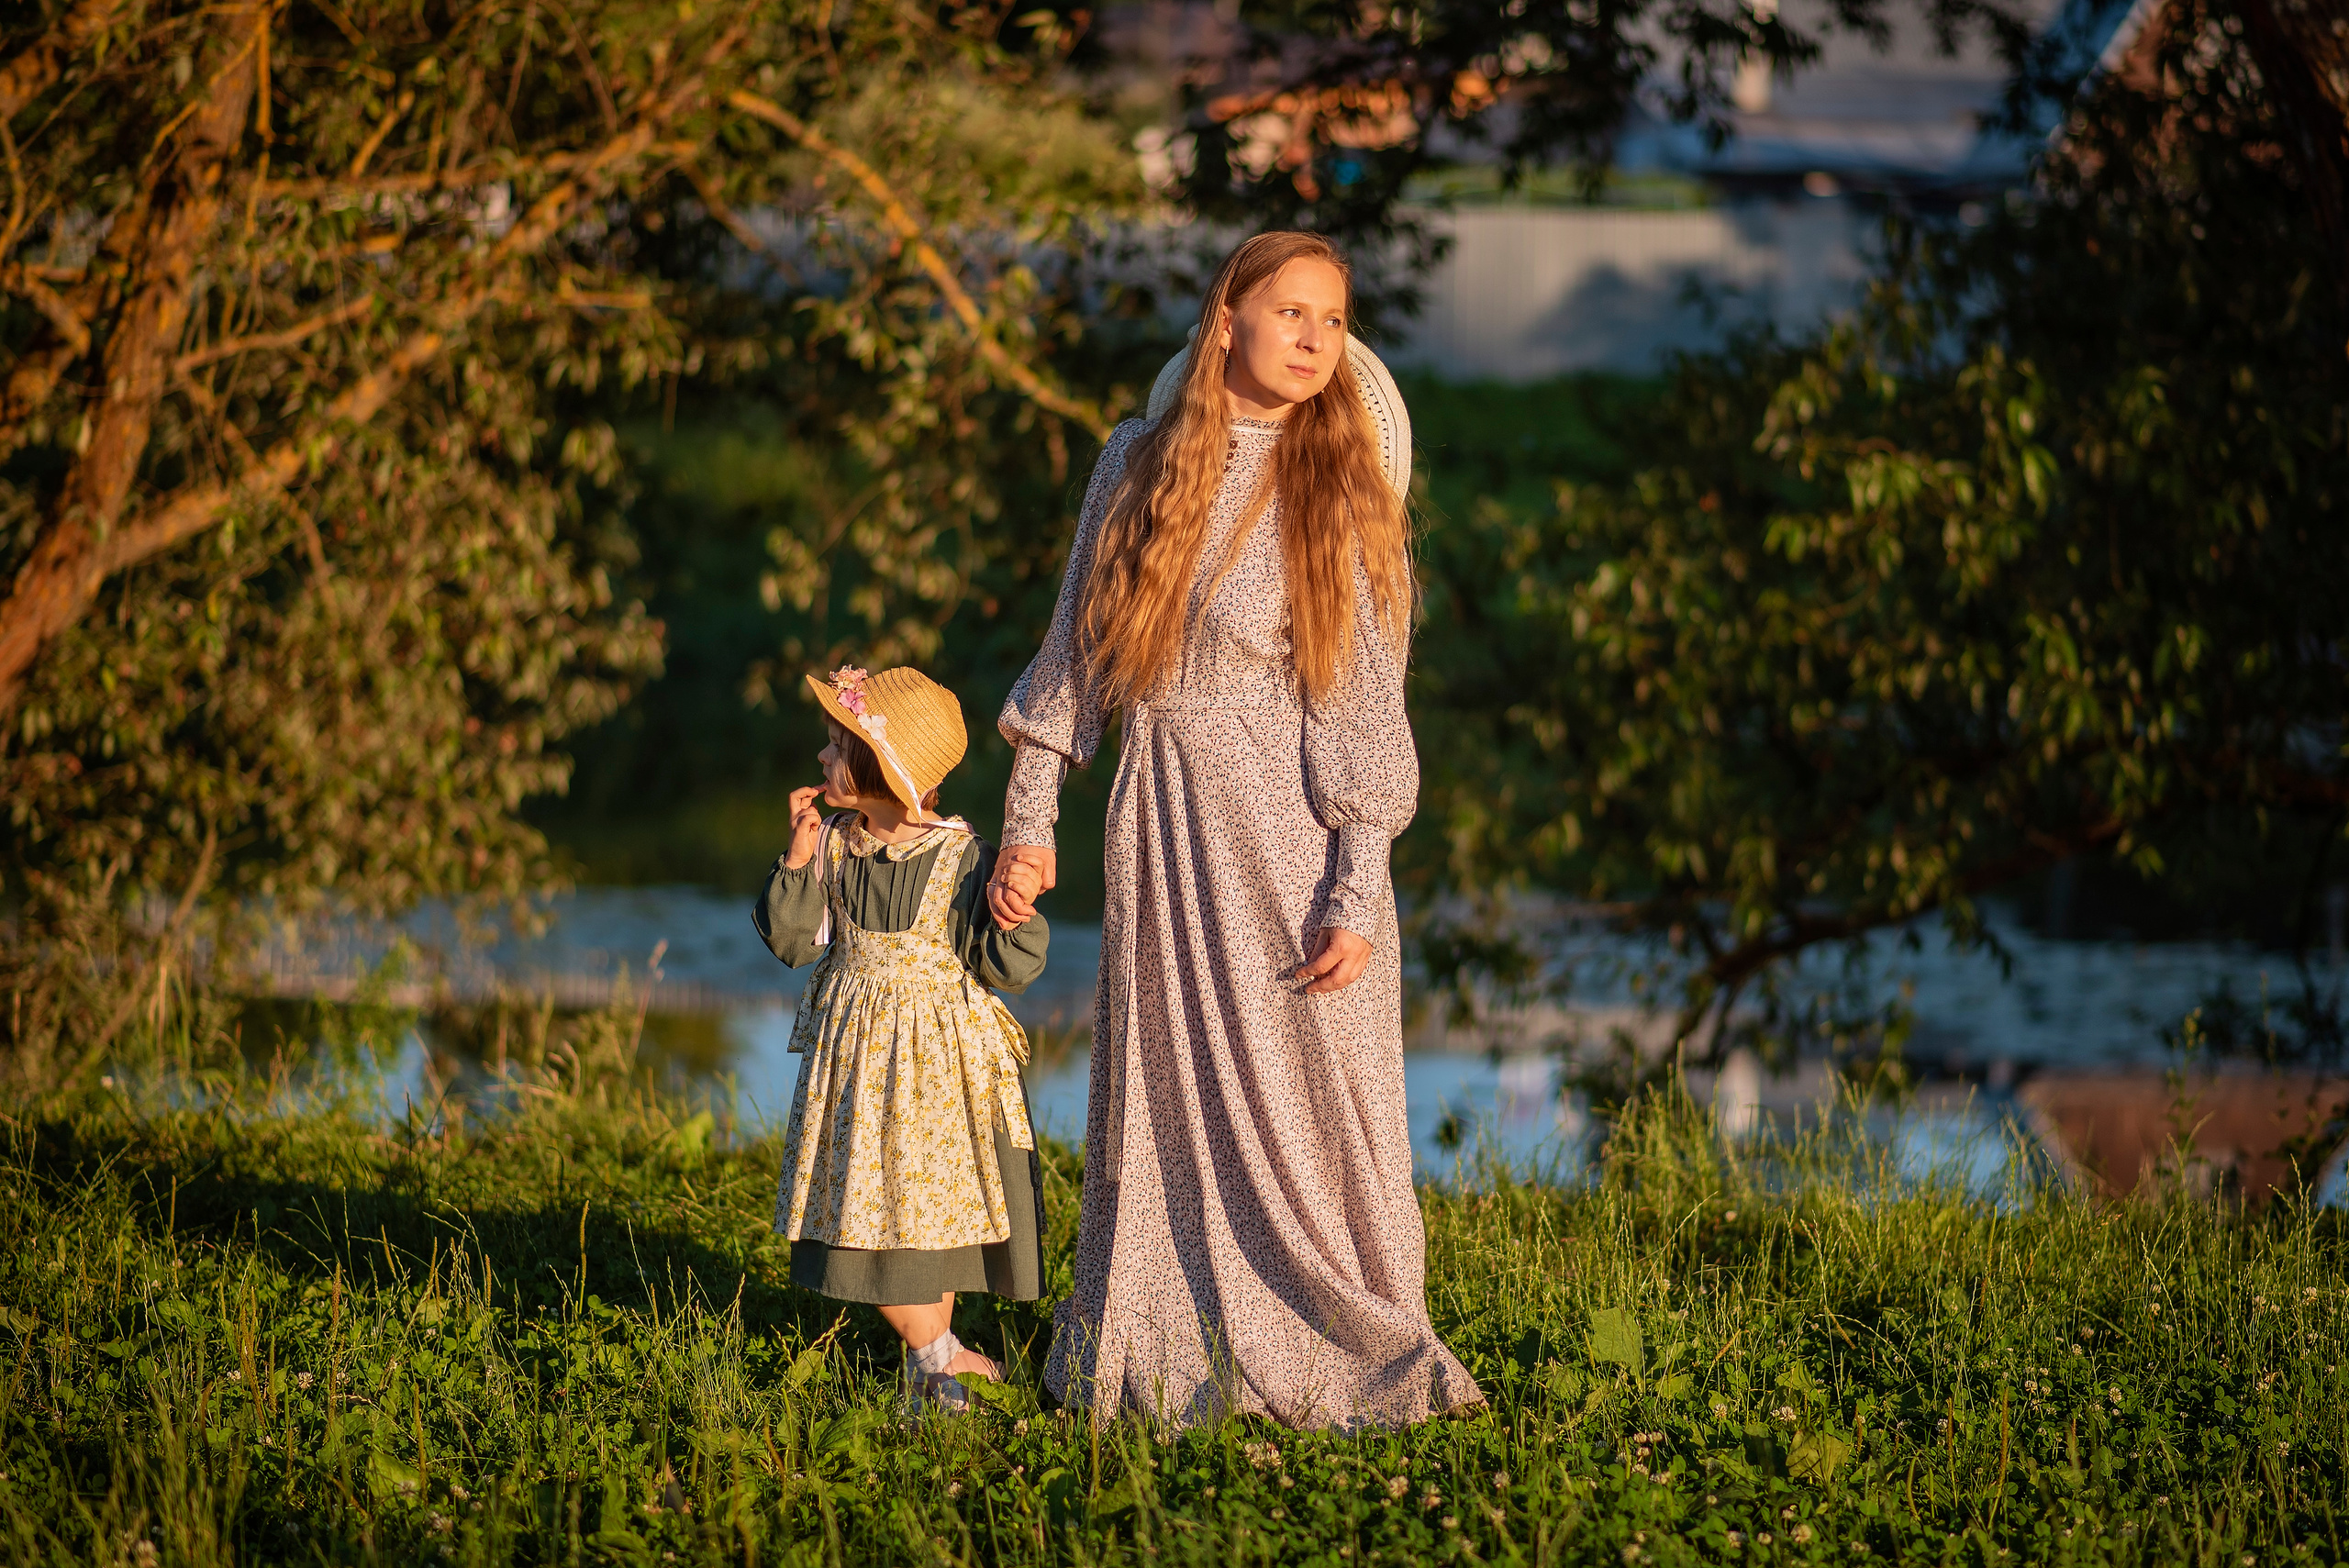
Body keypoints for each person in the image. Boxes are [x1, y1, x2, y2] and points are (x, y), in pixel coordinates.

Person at [985, 230, 1484, 1429]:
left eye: (1332, 321)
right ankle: (1163, 1348)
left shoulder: (1344, 485)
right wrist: (1026, 821)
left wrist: (1356, 884)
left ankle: (1345, 1347)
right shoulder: (1138, 465)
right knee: (1174, 1098)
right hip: (1166, 823)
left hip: (1302, 841)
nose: (1317, 340)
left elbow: (1367, 700)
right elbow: (1076, 654)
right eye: (1293, 313)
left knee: (1314, 1104)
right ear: (1227, 321)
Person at [755, 663, 1050, 1410]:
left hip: (935, 1074)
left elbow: (1005, 961)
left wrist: (1014, 912)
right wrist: (795, 856)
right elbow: (793, 943)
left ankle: (939, 1365)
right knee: (865, 1213)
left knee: (926, 1220)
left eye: (836, 744)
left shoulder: (959, 859)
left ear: (880, 767)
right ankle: (942, 1366)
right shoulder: (833, 846)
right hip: (855, 1068)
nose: (822, 758)